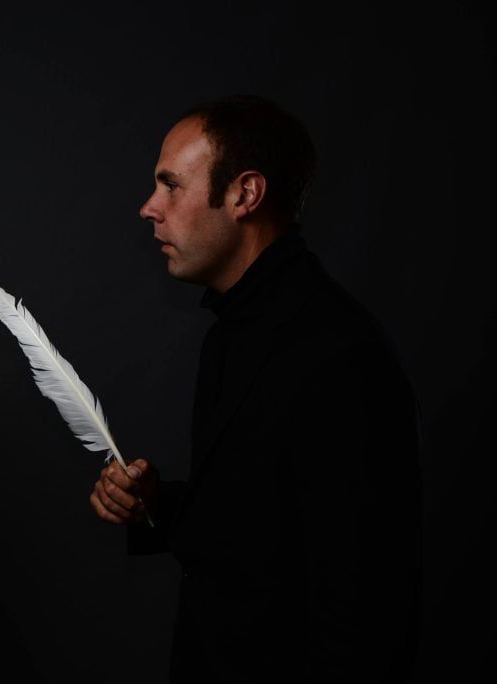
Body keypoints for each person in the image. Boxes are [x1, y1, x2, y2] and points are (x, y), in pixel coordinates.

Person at [89, 95, 421, 682]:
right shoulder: (231, 331)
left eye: (171, 186)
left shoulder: (339, 352)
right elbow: (260, 530)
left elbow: (362, 601)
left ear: (245, 194)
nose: (149, 208)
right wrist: (156, 505)